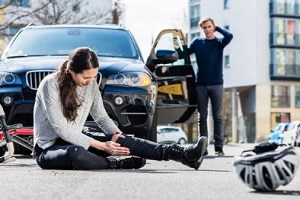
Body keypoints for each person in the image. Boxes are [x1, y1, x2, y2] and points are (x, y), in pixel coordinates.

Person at [33, 47, 208, 170]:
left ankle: (184, 155)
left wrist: (118, 134)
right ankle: (116, 163)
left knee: (120, 139)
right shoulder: (50, 84)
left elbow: (101, 117)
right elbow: (63, 131)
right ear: (71, 70)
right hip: (49, 149)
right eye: (86, 77)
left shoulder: (91, 84)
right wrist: (103, 146)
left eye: (94, 76)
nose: (90, 81)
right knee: (76, 153)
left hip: (77, 138)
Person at [188, 17, 233, 156]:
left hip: (217, 84)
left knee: (218, 116)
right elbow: (185, 53)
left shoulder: (219, 42)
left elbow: (230, 35)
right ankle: (203, 148)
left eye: (209, 26)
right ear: (202, 29)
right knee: (202, 117)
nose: (207, 29)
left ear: (213, 27)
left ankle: (219, 148)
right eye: (205, 27)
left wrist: (218, 27)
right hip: (200, 84)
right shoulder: (197, 43)